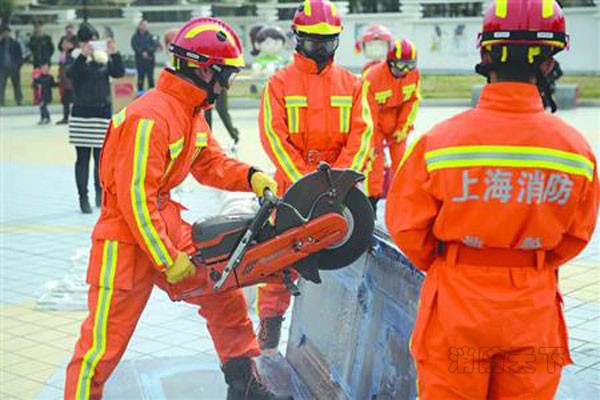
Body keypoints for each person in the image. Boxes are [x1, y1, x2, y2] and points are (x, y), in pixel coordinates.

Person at [64, 17, 288, 400]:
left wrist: (250, 176)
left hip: (162, 224)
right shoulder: (149, 117)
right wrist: (168, 257)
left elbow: (210, 164)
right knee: (101, 349)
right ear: (204, 69)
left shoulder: (189, 112)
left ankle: (245, 385)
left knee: (223, 291)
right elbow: (136, 199)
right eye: (226, 75)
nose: (227, 84)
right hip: (125, 240)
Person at [385, 1, 599, 398]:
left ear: (486, 55)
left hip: (455, 306)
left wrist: (453, 262)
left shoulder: (439, 144)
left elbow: (406, 226)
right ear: (549, 65)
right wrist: (528, 262)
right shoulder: (576, 152)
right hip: (531, 312)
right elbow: (577, 235)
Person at [258, 0, 373, 352]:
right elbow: (273, 136)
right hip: (292, 192)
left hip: (341, 196)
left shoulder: (352, 84)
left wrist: (339, 183)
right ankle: (269, 331)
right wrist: (305, 186)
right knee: (277, 265)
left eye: (327, 42)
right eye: (313, 42)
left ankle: (332, 345)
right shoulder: (279, 83)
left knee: (344, 261)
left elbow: (362, 134)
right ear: (298, 39)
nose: (320, 49)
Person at [67, 23, 125, 214]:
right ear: (81, 42)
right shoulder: (75, 58)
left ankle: (101, 194)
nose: (91, 43)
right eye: (87, 40)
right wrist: (83, 54)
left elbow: (119, 73)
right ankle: (83, 197)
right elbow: (71, 74)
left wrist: (114, 52)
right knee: (82, 159)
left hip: (101, 115)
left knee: (102, 159)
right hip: (82, 116)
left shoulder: (103, 59)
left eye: (94, 39)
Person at [363, 38, 421, 213]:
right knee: (375, 165)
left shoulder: (414, 75)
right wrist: (373, 142)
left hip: (397, 125)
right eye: (400, 66)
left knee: (402, 164)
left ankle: (401, 203)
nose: (404, 71)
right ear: (390, 62)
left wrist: (403, 128)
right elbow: (367, 113)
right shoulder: (372, 77)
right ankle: (371, 203)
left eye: (409, 66)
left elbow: (413, 101)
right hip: (376, 126)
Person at [56, 24, 77, 124]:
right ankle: (65, 118)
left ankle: (76, 118)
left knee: (75, 100)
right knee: (65, 100)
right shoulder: (63, 54)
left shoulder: (75, 50)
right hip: (65, 78)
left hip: (73, 79)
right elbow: (61, 64)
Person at [131, 19, 157, 95]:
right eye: (143, 25)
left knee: (150, 78)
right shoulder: (135, 37)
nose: (144, 27)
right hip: (140, 61)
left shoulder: (151, 36)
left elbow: (154, 46)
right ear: (139, 26)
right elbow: (134, 46)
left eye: (146, 25)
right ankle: (140, 93)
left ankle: (152, 94)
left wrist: (148, 52)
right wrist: (141, 52)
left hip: (150, 61)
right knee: (140, 78)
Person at [0, 26, 23, 106]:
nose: (6, 34)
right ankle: (1, 101)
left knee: (17, 85)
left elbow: (20, 56)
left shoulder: (15, 44)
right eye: (4, 33)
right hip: (2, 69)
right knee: (1, 85)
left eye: (7, 32)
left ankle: (19, 100)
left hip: (14, 68)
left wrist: (17, 65)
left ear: (9, 33)